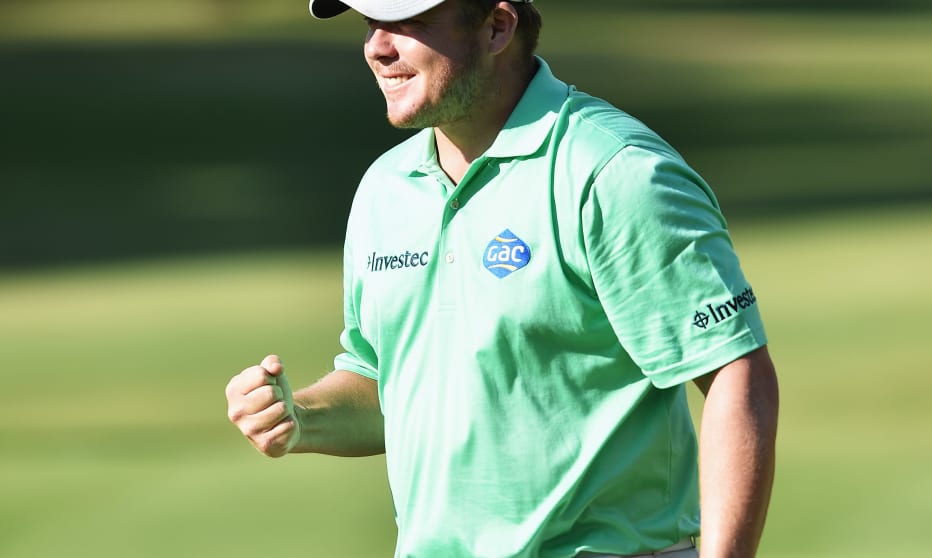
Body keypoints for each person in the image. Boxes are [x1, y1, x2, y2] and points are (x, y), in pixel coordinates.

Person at [224, 1, 780, 557]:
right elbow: (389, 386)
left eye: (408, 24)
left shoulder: (613, 171)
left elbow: (734, 371)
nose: (377, 46)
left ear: (497, 27)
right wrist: (299, 416)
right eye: (371, 24)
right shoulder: (384, 190)